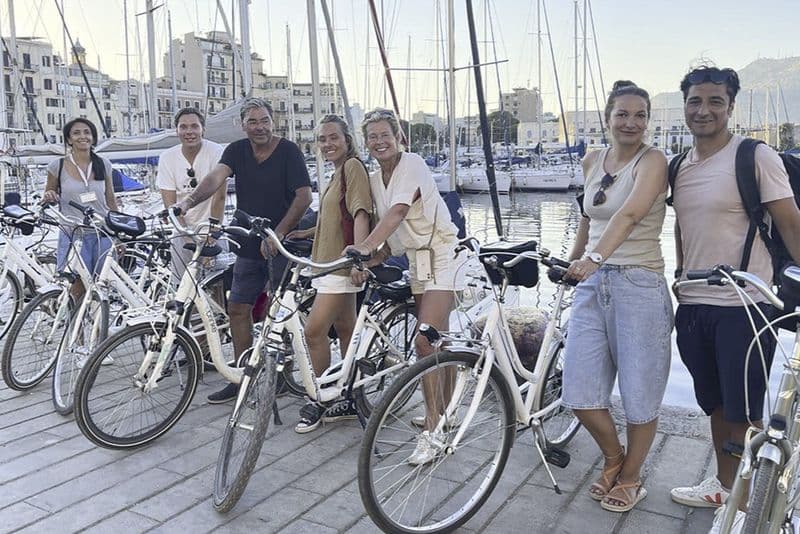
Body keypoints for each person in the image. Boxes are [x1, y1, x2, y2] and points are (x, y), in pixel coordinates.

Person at [668, 66, 800, 531]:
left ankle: (747, 505)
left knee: (743, 411)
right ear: (684, 105)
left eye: (715, 102)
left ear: (730, 106)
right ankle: (724, 489)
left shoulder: (754, 156)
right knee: (715, 404)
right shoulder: (679, 165)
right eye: (695, 101)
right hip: (694, 303)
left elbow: (789, 222)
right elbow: (683, 227)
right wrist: (679, 275)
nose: (704, 110)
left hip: (745, 306)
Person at [561, 81, 673, 513]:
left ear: (647, 120)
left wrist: (593, 258)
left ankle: (629, 477)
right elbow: (589, 220)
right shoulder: (593, 160)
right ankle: (613, 456)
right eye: (623, 114)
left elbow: (630, 213)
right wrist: (571, 266)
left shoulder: (654, 160)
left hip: (640, 282)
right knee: (579, 392)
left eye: (640, 115)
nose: (631, 122)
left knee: (640, 393)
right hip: (592, 282)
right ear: (608, 118)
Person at [174, 97, 312, 403]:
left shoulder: (288, 151)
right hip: (249, 242)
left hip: (283, 244)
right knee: (238, 308)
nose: (259, 127)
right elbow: (213, 179)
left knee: (279, 314)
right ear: (243, 124)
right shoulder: (236, 150)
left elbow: (304, 197)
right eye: (252, 121)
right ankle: (240, 376)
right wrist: (186, 203)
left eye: (264, 120)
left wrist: (278, 234)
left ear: (273, 121)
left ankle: (280, 374)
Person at [348, 108, 466, 465]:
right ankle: (443, 413)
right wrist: (369, 258)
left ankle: (432, 430)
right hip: (418, 259)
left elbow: (397, 213)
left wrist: (365, 245)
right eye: (373, 136)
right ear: (366, 143)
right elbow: (394, 232)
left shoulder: (411, 163)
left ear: (398, 137)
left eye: (386, 134)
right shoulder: (373, 177)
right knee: (438, 339)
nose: (380, 141)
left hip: (444, 253)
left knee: (424, 340)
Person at [284, 114, 373, 433]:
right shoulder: (336, 173)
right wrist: (306, 235)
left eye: (333, 137)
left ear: (347, 140)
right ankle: (351, 395)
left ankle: (321, 398)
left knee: (313, 331)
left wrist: (359, 255)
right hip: (327, 262)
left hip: (341, 264)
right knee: (346, 327)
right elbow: (336, 217)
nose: (327, 144)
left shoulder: (352, 167)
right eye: (322, 139)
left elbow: (361, 212)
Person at [42, 117, 119, 300]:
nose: (82, 136)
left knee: (102, 290)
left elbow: (111, 200)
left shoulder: (104, 164)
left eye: (87, 132)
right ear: (69, 139)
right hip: (73, 235)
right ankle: (76, 328)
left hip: (103, 234)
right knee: (77, 290)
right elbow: (49, 194)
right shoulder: (57, 166)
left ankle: (99, 327)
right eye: (76, 133)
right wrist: (49, 196)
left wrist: (118, 234)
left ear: (93, 137)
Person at [156, 107, 226, 279]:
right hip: (182, 231)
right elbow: (170, 203)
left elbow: (220, 196)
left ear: (203, 129)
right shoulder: (167, 157)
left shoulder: (217, 152)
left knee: (215, 286)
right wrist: (187, 237)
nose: (189, 132)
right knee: (183, 288)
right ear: (177, 130)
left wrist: (212, 233)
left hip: (212, 230)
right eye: (183, 127)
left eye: (194, 126)